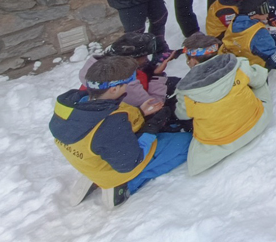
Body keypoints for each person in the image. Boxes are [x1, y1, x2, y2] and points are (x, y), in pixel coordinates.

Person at [50, 57, 192, 207]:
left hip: (88, 160)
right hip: (118, 164)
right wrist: (150, 129)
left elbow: (96, 129)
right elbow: (129, 162)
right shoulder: (111, 123)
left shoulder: (72, 103)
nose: (129, 86)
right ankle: (124, 184)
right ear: (114, 89)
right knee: (185, 143)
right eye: (127, 83)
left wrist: (140, 112)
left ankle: (96, 174)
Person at [174, 33, 272, 176]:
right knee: (257, 80)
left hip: (218, 145)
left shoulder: (186, 92)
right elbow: (260, 77)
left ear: (194, 61)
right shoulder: (238, 65)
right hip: (256, 123)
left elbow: (181, 115)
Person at [77, 33, 174, 117]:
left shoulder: (98, 67)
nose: (146, 59)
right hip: (127, 116)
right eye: (144, 57)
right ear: (133, 60)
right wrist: (158, 75)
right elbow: (155, 105)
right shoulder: (124, 83)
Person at [221, 0, 276, 88]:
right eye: (264, 10)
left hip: (238, 60)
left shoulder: (235, 22)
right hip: (252, 69)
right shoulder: (258, 33)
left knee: (274, 39)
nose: (267, 13)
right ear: (253, 14)